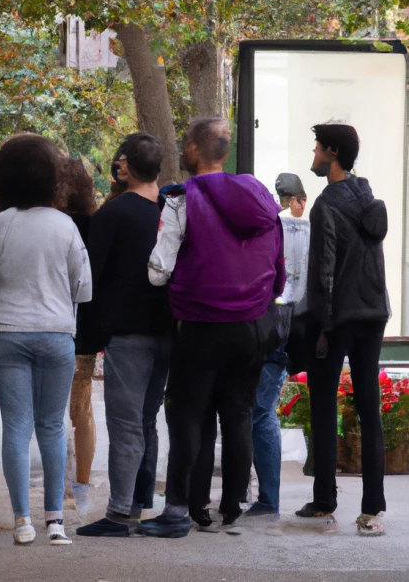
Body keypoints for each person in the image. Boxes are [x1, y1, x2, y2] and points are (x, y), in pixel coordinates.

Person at [145, 117, 284, 537]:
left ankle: (189, 505)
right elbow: (280, 269)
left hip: (202, 324)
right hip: (253, 324)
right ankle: (233, 504)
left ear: (193, 150)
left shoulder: (181, 200)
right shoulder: (260, 198)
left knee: (190, 415)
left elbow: (158, 270)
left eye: (185, 144)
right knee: (239, 412)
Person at [0, 135, 91, 545]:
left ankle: (22, 520)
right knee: (52, 426)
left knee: (16, 427)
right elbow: (84, 288)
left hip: (7, 332)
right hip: (57, 332)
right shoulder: (66, 226)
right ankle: (55, 521)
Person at [77, 133, 173, 538]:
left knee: (125, 423)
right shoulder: (171, 213)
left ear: (126, 167)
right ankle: (138, 503)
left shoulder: (112, 216)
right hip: (168, 329)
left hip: (127, 333)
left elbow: (90, 278)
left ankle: (118, 514)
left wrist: (87, 338)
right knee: (147, 421)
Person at [297, 123, 389, 536]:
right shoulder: (369, 199)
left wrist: (322, 325)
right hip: (373, 314)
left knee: (323, 404)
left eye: (317, 148)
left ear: (332, 153)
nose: (314, 155)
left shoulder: (325, 205)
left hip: (337, 317)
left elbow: (326, 271)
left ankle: (324, 501)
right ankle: (372, 510)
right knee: (369, 409)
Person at [246, 173, 310, 519]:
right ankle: (263, 495)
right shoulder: (312, 227)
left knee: (257, 410)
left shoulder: (271, 225)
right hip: (296, 327)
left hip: (270, 324)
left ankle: (267, 498)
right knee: (260, 409)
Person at [61, 158, 99, 503]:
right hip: (84, 325)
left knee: (50, 413)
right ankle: (81, 485)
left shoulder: (50, 222)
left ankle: (62, 487)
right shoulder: (93, 221)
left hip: (52, 321)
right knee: (82, 409)